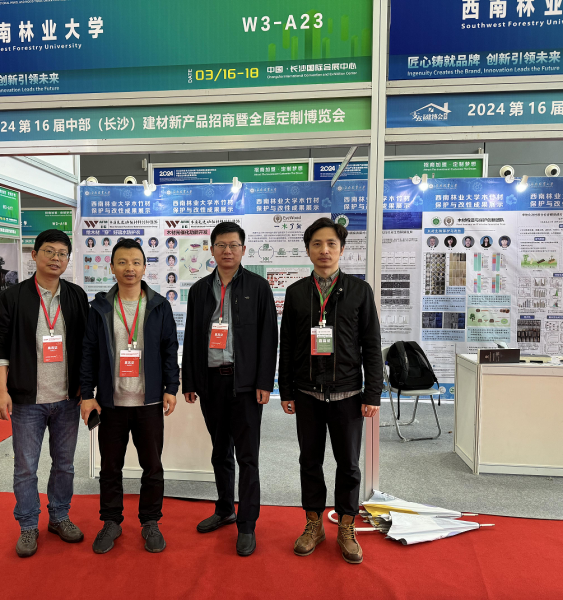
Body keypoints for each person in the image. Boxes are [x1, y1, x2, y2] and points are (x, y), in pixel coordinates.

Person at [279, 217, 383, 565]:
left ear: (341, 249)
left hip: (348, 395)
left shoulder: (359, 291)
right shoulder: (296, 293)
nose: (324, 250)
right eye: (317, 244)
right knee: (309, 462)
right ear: (308, 250)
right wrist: (286, 389)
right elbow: (287, 345)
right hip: (307, 394)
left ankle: (346, 527)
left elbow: (371, 345)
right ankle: (314, 525)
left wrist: (372, 393)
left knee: (348, 465)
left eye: (331, 244)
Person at [0, 229, 89, 558]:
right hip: (26, 400)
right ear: (34, 255)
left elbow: (86, 347)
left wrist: (86, 389)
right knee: (25, 468)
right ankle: (28, 524)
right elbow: (0, 346)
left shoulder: (76, 296)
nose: (55, 258)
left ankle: (59, 517)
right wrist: (0, 390)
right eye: (49, 251)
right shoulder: (13, 297)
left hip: (66, 399)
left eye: (62, 253)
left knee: (65, 465)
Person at [182, 222, 278, 557]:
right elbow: (192, 337)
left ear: (243, 250)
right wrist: (189, 381)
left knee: (247, 456)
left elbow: (269, 337)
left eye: (234, 245)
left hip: (246, 385)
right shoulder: (199, 290)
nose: (227, 251)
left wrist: (265, 382)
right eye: (221, 245)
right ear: (211, 249)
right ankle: (225, 509)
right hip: (211, 382)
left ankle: (247, 524)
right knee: (219, 451)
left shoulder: (258, 287)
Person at [80, 239, 180, 555]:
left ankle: (150, 521)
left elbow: (169, 349)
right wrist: (87, 394)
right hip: (111, 404)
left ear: (144, 267)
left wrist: (171, 387)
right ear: (111, 267)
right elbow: (88, 352)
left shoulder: (159, 306)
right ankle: (111, 521)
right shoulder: (100, 308)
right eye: (122, 262)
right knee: (110, 467)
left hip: (149, 402)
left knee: (152, 466)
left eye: (136, 262)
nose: (129, 268)